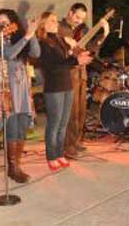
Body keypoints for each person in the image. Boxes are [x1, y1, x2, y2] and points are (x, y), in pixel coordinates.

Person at [37, 11, 93, 170]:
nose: (56, 23)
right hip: (54, 87)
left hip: (67, 85)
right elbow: (52, 66)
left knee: (63, 124)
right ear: (43, 25)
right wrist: (76, 60)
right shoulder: (43, 43)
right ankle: (51, 156)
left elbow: (66, 61)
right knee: (54, 124)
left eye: (56, 20)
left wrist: (79, 57)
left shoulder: (60, 40)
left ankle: (60, 153)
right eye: (52, 21)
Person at [0, 9, 40, 183]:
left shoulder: (19, 38)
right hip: (7, 89)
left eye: (5, 22)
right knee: (11, 128)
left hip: (22, 88)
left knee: (22, 127)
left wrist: (31, 33)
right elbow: (10, 55)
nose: (2, 25)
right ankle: (12, 168)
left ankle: (16, 165)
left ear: (13, 23)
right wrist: (27, 36)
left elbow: (36, 53)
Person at [59, 3, 110, 159]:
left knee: (81, 111)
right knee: (71, 112)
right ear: (70, 13)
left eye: (82, 19)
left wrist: (104, 33)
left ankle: (76, 142)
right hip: (67, 74)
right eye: (77, 17)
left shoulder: (82, 30)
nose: (79, 21)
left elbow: (91, 50)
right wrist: (66, 40)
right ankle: (67, 147)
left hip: (81, 74)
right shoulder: (60, 28)